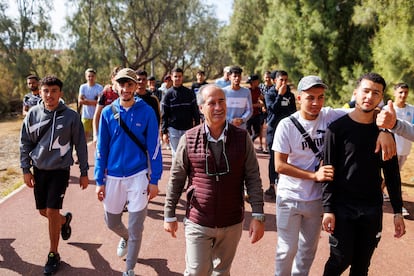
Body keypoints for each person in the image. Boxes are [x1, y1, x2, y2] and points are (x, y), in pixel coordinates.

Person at [272, 75, 395, 276]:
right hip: (290, 197)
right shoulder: (286, 125)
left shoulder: (330, 115)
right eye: (310, 97)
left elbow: (367, 110)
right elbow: (279, 165)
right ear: (299, 98)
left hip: (316, 200)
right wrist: (314, 176)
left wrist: (384, 129)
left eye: (320, 97)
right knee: (286, 250)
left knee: (306, 252)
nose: (315, 103)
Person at [164, 84, 265, 275]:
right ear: (201, 108)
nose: (218, 107)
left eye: (222, 102)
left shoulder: (242, 138)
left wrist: (258, 214)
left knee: (221, 272)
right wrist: (169, 213)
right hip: (198, 220)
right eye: (212, 103)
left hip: (232, 221)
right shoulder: (189, 138)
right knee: (197, 271)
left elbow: (253, 178)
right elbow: (176, 178)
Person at [321, 72, 406, 275]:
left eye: (375, 93)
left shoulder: (385, 134)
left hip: (371, 208)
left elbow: (392, 174)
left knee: (362, 265)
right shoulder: (336, 130)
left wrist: (397, 211)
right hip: (343, 207)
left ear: (381, 98)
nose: (369, 97)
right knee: (339, 260)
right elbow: (328, 172)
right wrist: (328, 208)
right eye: (365, 91)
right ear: (356, 93)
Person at [94, 68, 162, 276]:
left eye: (129, 84)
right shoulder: (107, 112)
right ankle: (125, 237)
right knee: (111, 221)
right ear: (116, 86)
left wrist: (155, 179)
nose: (125, 88)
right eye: (122, 84)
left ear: (135, 86)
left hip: (138, 176)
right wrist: (99, 180)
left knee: (136, 227)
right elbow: (101, 149)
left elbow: (154, 148)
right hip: (112, 176)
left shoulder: (147, 111)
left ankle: (129, 269)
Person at [20, 75, 89, 275]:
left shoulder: (71, 116)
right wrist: (26, 169)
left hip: (60, 170)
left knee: (51, 211)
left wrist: (84, 171)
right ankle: (64, 221)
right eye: (46, 91)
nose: (50, 95)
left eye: (54, 91)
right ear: (40, 93)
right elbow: (24, 143)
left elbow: (81, 146)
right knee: (44, 211)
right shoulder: (32, 114)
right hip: (39, 170)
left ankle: (53, 254)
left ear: (60, 93)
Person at [382, 82, 413, 217]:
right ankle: (399, 207)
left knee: (393, 176)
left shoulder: (412, 109)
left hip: (405, 149)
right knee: (394, 177)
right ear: (394, 93)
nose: (403, 95)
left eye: (405, 92)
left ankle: (379, 193)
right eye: (400, 92)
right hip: (390, 149)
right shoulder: (386, 109)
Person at [264, 70, 296, 199]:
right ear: (274, 81)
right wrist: (279, 95)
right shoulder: (269, 94)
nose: (284, 82)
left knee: (290, 158)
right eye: (281, 80)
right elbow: (272, 110)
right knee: (274, 158)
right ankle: (272, 185)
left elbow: (293, 111)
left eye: (285, 80)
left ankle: (288, 185)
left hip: (288, 131)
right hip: (274, 131)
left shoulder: (290, 95)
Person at [161, 67, 200, 157]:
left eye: (180, 76)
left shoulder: (189, 93)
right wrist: (164, 132)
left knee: (188, 154)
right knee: (176, 155)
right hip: (173, 129)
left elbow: (195, 111)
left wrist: (198, 125)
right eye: (175, 76)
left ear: (182, 77)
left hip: (188, 129)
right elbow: (164, 115)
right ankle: (176, 171)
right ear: (171, 77)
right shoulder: (168, 95)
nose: (178, 78)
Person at [92, 66, 121, 144]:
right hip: (107, 132)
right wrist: (95, 135)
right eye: (117, 78)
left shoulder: (126, 94)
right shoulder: (105, 93)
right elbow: (97, 115)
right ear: (112, 78)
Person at [78, 68, 103, 141]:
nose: (90, 78)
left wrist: (86, 101)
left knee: (97, 136)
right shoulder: (83, 87)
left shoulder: (99, 87)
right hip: (86, 116)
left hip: (97, 115)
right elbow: (80, 101)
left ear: (95, 77)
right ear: (86, 77)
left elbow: (100, 102)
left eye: (92, 76)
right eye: (89, 76)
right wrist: (94, 101)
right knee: (84, 137)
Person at [246, 74, 265, 150]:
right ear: (253, 82)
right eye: (256, 81)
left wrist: (262, 104)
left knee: (257, 132)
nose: (258, 82)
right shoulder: (247, 91)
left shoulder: (258, 90)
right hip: (248, 114)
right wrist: (255, 105)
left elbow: (261, 98)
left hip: (256, 114)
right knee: (248, 131)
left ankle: (250, 141)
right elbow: (246, 104)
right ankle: (249, 147)